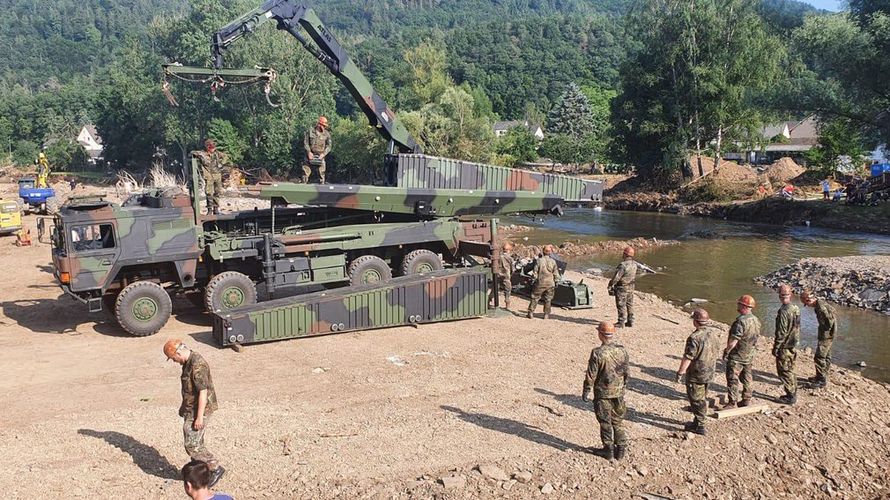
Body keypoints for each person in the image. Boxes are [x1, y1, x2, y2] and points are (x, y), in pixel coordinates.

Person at [165, 339, 225, 487]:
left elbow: (203, 393)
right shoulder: (188, 362)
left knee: (192, 444)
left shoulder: (197, 365)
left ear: (178, 352)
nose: (174, 361)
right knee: (196, 440)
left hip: (200, 410)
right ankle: (199, 469)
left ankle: (215, 468)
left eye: (173, 358)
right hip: (191, 409)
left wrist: (199, 417)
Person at [582, 322, 629, 460]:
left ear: (600, 335)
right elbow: (626, 371)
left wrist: (586, 389)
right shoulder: (622, 350)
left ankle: (608, 450)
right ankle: (621, 449)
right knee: (618, 421)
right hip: (619, 392)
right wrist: (623, 385)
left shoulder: (597, 353)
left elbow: (591, 374)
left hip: (603, 393)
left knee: (605, 421)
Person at [676, 308, 722, 435]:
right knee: (702, 397)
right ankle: (697, 421)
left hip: (696, 373)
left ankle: (700, 425)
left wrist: (680, 372)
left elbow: (688, 357)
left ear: (696, 322)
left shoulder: (694, 337)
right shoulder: (714, 334)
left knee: (696, 399)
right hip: (709, 371)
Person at [724, 294, 761, 408]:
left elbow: (734, 340)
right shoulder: (756, 320)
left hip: (737, 355)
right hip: (749, 354)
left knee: (732, 378)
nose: (738, 305)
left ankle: (732, 401)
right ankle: (746, 399)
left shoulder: (740, 322)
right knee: (747, 377)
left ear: (744, 306)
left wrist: (727, 350)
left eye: (739, 304)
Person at [801, 291, 836, 389]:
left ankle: (821, 380)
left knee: (819, 357)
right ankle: (822, 375)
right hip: (829, 334)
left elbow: (829, 320)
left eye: (806, 303)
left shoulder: (820, 307)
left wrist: (825, 329)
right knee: (826, 355)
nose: (807, 306)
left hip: (826, 335)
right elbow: (834, 312)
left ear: (809, 300)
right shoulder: (821, 303)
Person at [772, 284, 800, 405]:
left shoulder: (784, 311)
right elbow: (797, 326)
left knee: (784, 370)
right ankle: (793, 392)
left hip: (785, 345)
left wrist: (776, 347)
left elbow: (781, 332)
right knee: (791, 369)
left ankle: (790, 396)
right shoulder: (796, 308)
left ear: (779, 296)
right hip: (793, 343)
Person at [194, 140, 228, 215]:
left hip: (217, 175)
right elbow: (193, 153)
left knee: (218, 192)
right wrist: (196, 154)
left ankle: (216, 209)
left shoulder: (217, 153)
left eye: (213, 147)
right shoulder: (203, 154)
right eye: (211, 147)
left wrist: (221, 163)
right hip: (209, 175)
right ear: (207, 147)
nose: (213, 148)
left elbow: (225, 156)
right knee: (209, 193)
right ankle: (209, 209)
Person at [607, 246, 639, 328]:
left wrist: (610, 285)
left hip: (622, 288)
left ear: (625, 254)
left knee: (621, 304)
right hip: (631, 287)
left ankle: (621, 322)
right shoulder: (635, 264)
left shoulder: (623, 265)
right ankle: (630, 321)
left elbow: (616, 277)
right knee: (630, 304)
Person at [526, 244, 558, 319]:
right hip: (550, 283)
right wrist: (556, 282)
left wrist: (533, 280)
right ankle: (546, 314)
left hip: (541, 282)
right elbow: (556, 273)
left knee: (535, 298)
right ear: (550, 252)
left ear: (543, 251)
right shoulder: (553, 262)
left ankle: (531, 312)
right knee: (548, 299)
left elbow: (535, 272)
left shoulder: (539, 261)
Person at [303, 116, 332, 184]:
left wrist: (323, 154)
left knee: (321, 173)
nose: (324, 127)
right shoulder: (310, 132)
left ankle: (321, 186)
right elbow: (305, 143)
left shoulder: (326, 134)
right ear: (319, 124)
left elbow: (329, 146)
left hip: (320, 155)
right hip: (310, 154)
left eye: (325, 126)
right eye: (323, 125)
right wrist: (309, 152)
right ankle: (303, 185)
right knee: (305, 171)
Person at [490, 241, 515, 309]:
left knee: (494, 289)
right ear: (509, 250)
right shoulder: (510, 258)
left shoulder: (498, 256)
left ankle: (488, 301)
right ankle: (507, 303)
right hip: (506, 275)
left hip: (497, 275)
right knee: (507, 290)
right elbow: (513, 269)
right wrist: (511, 274)